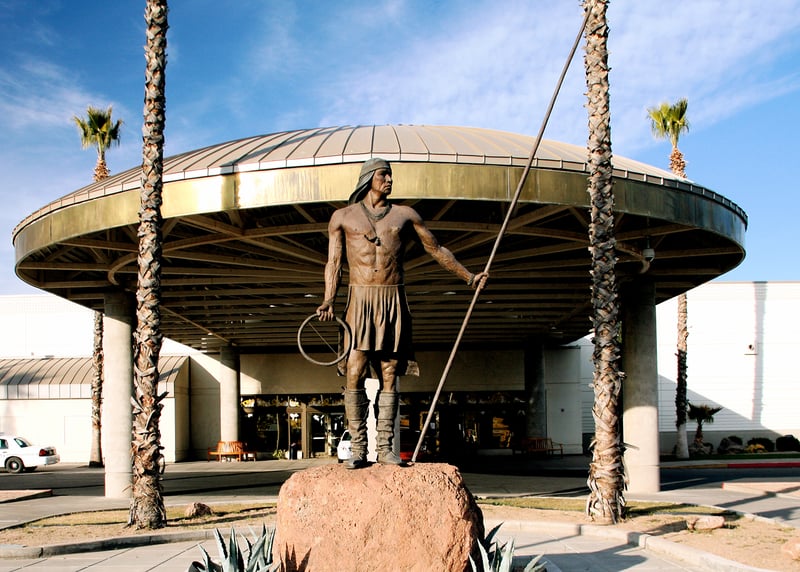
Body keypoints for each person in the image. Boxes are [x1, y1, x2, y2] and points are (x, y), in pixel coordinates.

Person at [317, 158, 488, 469]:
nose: (389, 180)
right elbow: (334, 262)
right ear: (368, 178)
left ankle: (385, 448)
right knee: (354, 371)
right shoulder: (343, 217)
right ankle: (358, 449)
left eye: (390, 175)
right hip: (359, 299)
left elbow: (436, 249)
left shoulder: (405, 215)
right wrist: (329, 299)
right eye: (383, 174)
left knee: (390, 372)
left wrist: (469, 277)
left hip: (392, 298)